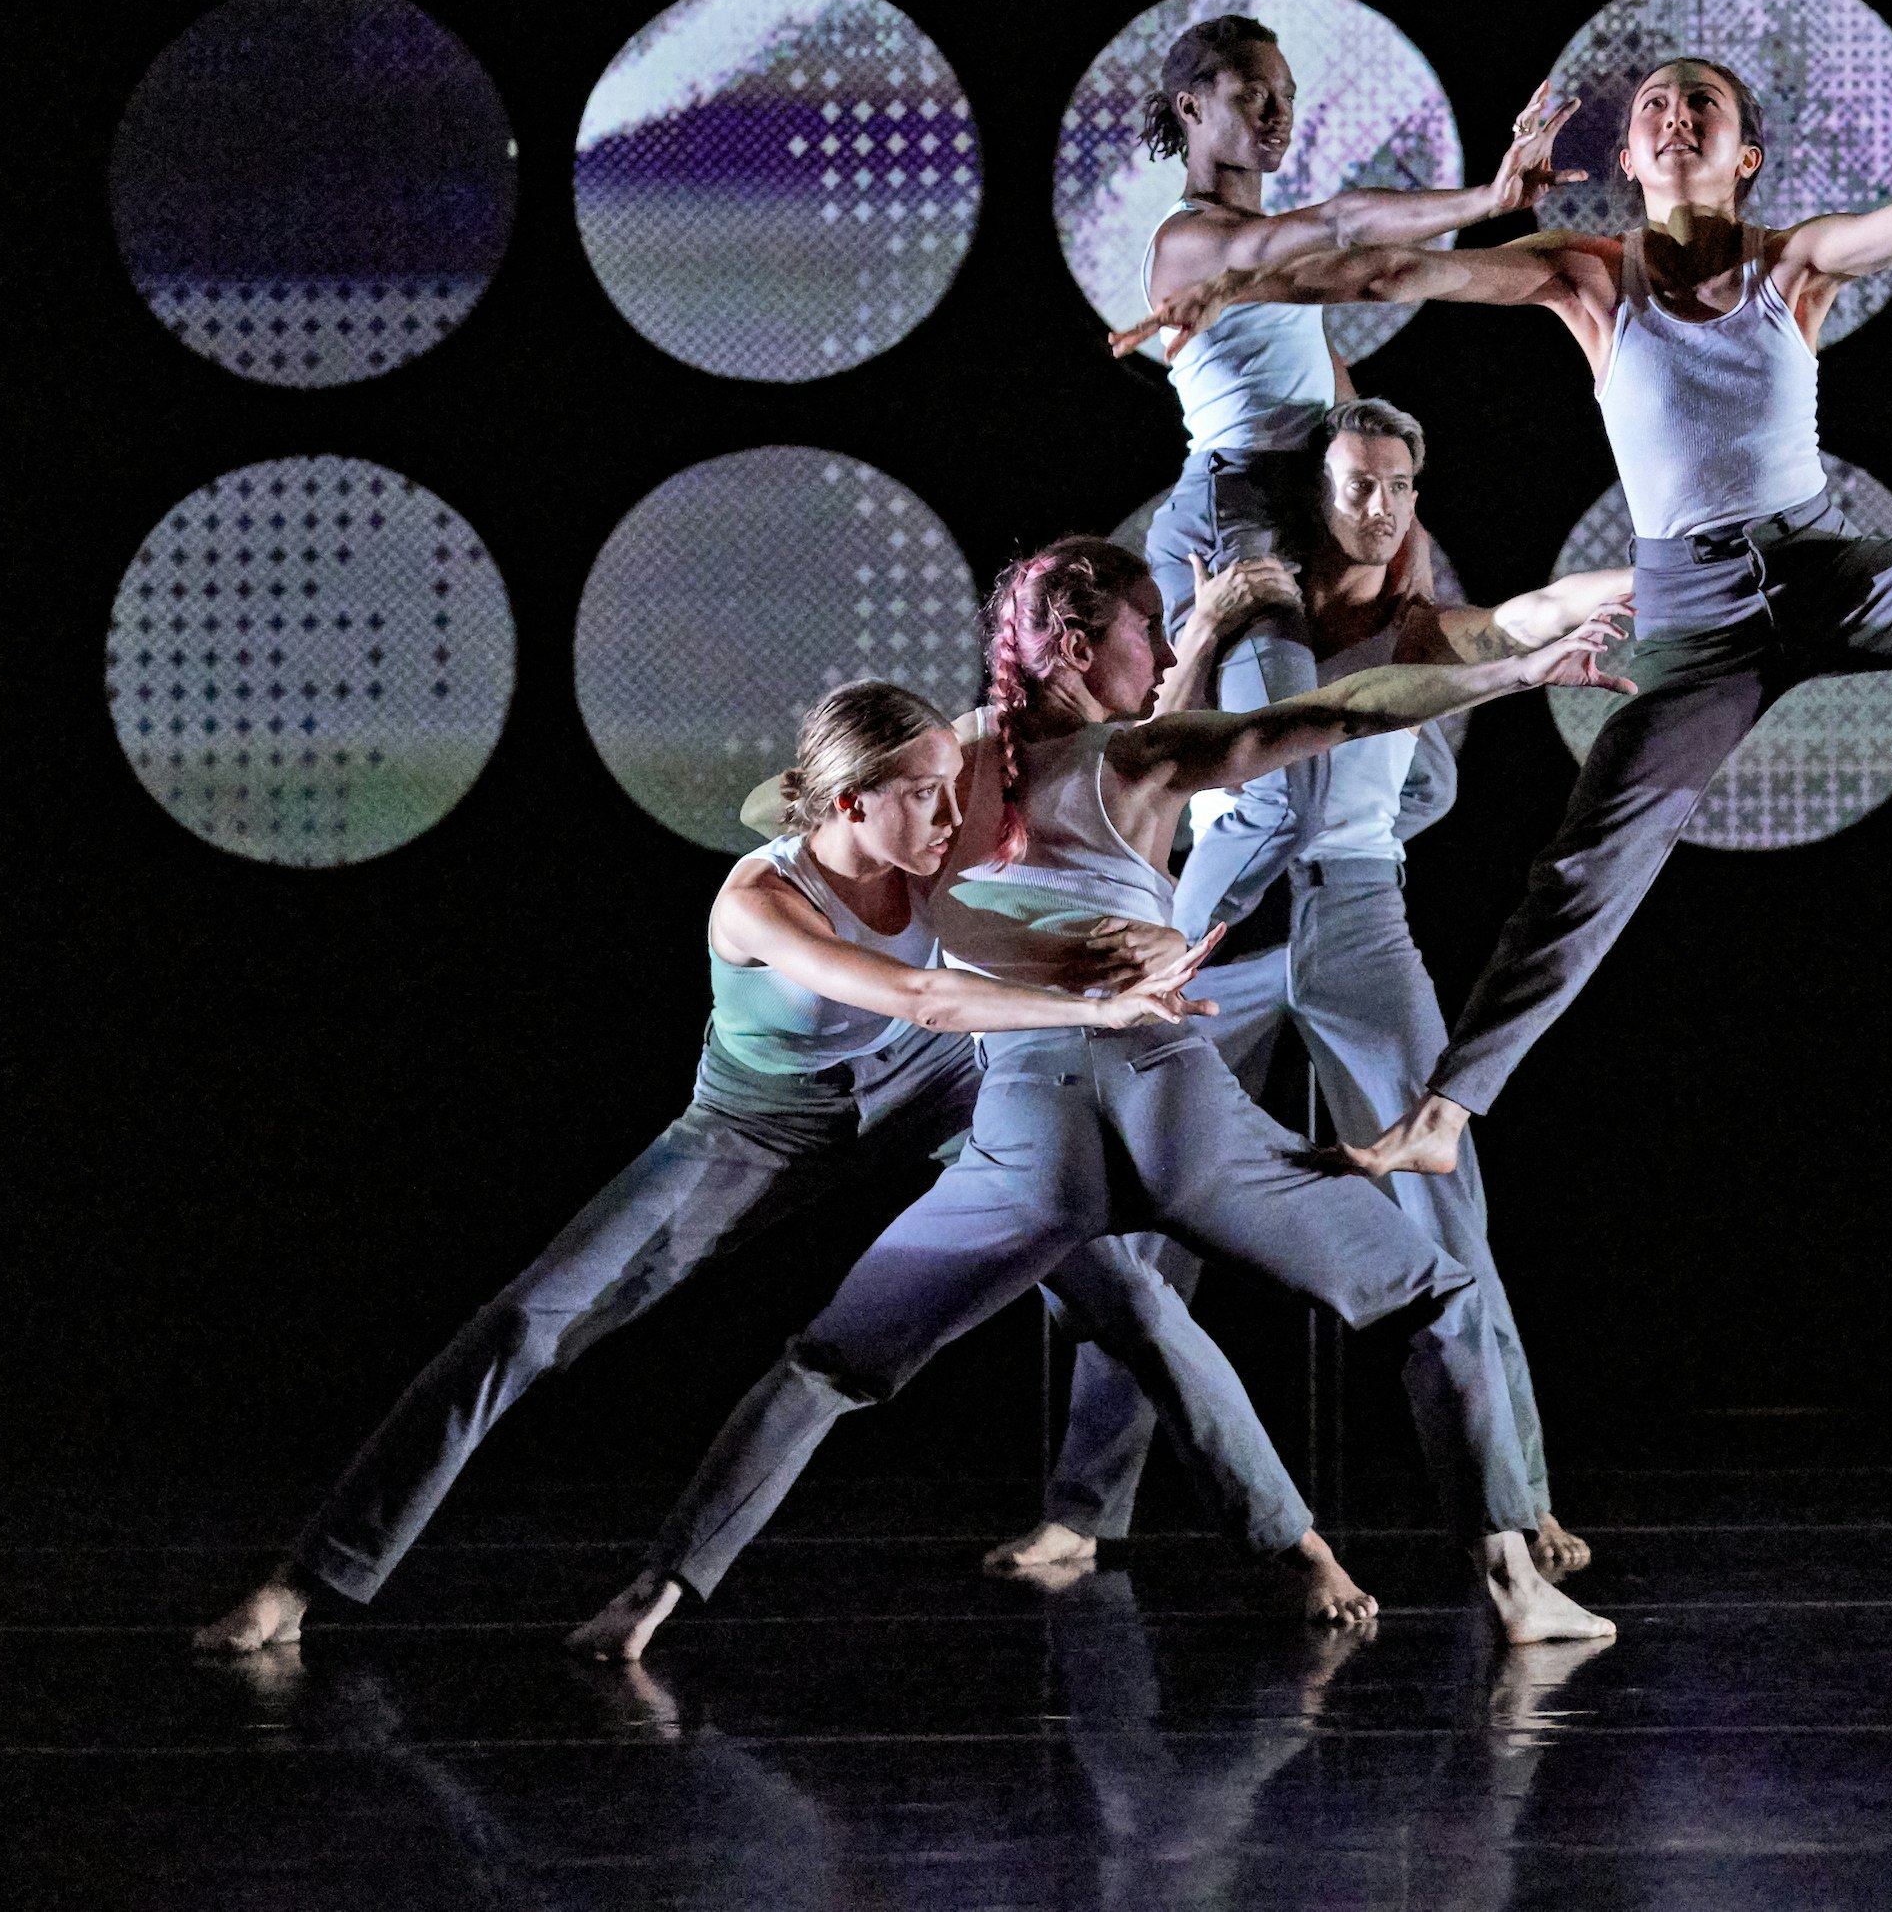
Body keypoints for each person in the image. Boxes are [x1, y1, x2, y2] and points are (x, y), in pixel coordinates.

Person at [1117, 61, 1892, 1183]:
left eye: (1700, 105)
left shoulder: (1791, 262)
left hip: (1827, 572)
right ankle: (1442, 1111)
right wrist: (1240, 288)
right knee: (1585, 869)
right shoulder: (1589, 277)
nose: (1673, 117)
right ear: (1625, 159)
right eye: (1653, 108)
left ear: (1743, 155)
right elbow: (1392, 276)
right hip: (1695, 616)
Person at [566, 537, 1627, 1660]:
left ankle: (654, 1598)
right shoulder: (1145, 755)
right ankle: (1516, 1588)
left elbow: (777, 806)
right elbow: (1348, 709)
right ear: (1078, 646)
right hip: (1170, 1107)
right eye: (1148, 630)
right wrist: (1514, 672)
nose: (1167, 650)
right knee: (1435, 1300)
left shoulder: (935, 774)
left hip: (1025, 1133)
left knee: (824, 1367)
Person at [191, 678, 1219, 1656]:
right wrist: (1093, 1009)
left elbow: (1048, 888)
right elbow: (925, 997)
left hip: (927, 1088)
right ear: (851, 804)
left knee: (1123, 1286)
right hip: (756, 1126)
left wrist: (1130, 951)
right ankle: (303, 1580)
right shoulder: (758, 900)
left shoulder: (928, 852)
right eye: (922, 795)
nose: (953, 815)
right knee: (528, 1322)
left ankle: (1291, 1548)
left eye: (953, 788)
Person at [995, 398, 1617, 1589]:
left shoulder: (1419, 626)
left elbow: (1521, 626)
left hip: (1354, 919)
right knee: (1145, 1210)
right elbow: (1148, 755)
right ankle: (1081, 1512)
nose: (1377, 507)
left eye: (1396, 485)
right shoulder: (1235, 617)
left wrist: (1626, 586)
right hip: (1214, 930)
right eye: (1354, 484)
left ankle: (1517, 1497)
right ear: (1314, 496)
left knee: (1440, 1194)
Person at [1132, 13, 1577, 938]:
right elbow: (1353, 242)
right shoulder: (1193, 245)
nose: (1277, 112)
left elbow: (1345, 405)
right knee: (1280, 803)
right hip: (1239, 513)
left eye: (1288, 97)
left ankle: (1290, 958)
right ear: (1192, 104)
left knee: (1422, 781)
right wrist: (1489, 197)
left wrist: (1404, 533)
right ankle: (1143, 974)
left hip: (1315, 508)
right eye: (1254, 93)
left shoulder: (1275, 252)